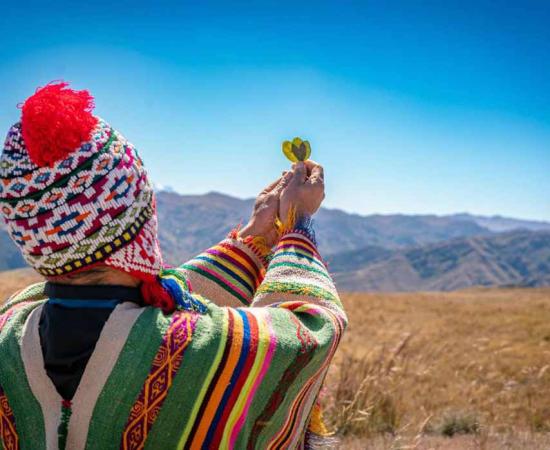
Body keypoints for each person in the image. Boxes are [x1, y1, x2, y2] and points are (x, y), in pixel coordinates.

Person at [0, 83, 347, 450]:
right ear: (138, 220)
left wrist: (251, 238)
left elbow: (168, 293)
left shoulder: (11, 326)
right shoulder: (198, 352)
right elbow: (310, 332)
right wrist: (298, 226)